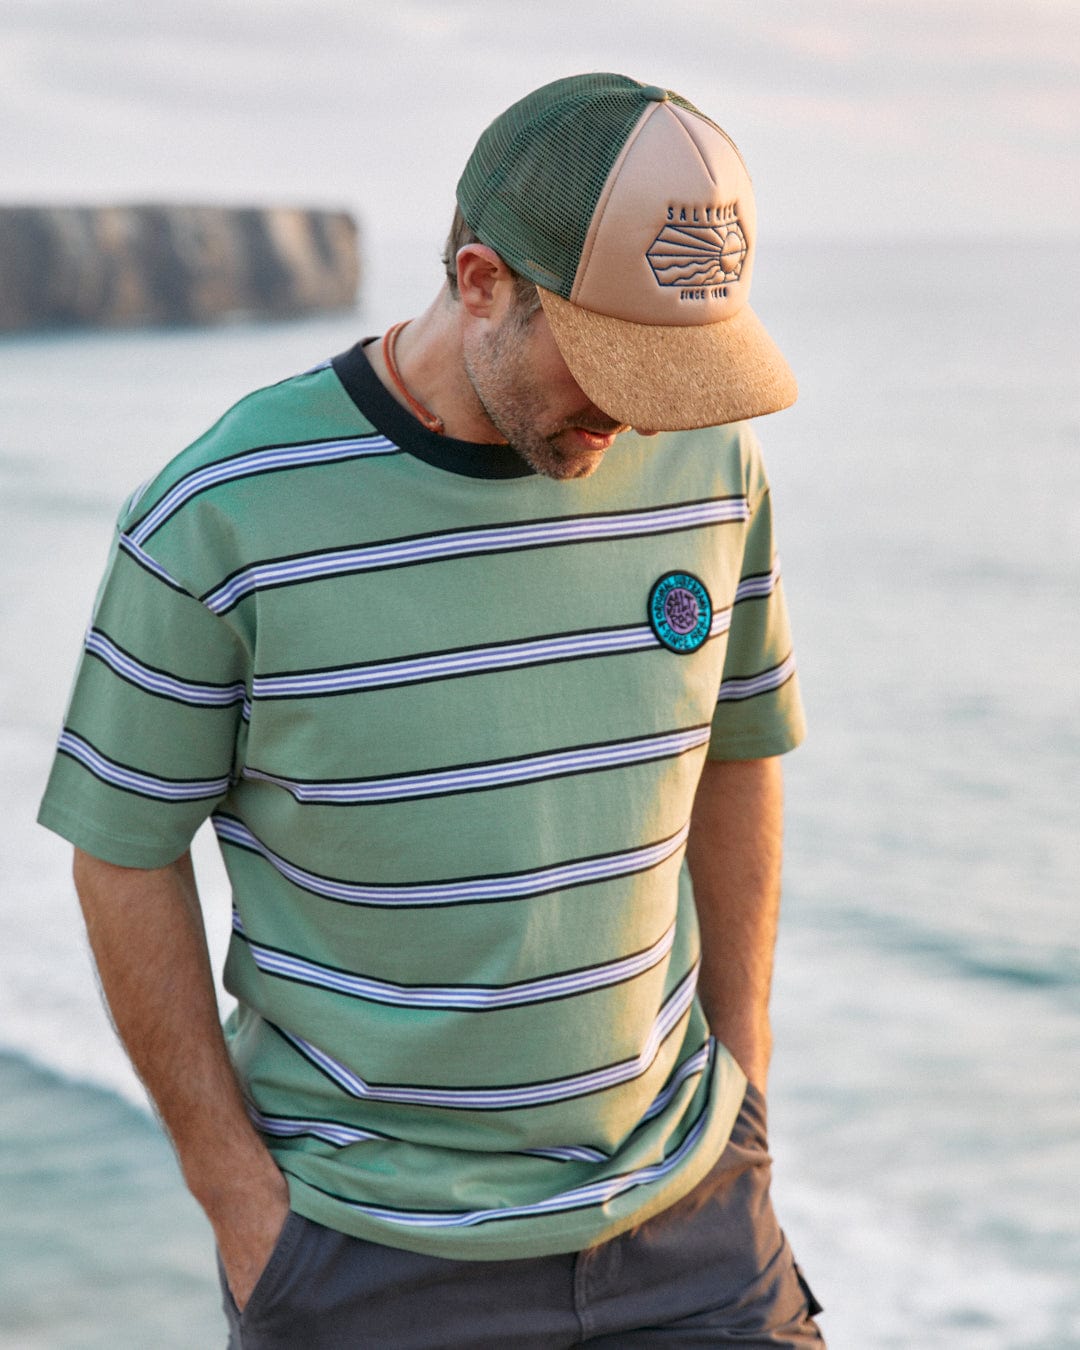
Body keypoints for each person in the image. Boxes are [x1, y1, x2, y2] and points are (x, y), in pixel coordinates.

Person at [38, 72, 824, 1346]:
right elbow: (119, 851)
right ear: (479, 282)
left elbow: (738, 751)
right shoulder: (220, 515)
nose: (633, 414)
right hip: (367, 1258)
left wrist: (746, 1075)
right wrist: (239, 1204)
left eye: (672, 371)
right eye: (608, 361)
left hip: (692, 1215)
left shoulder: (713, 458)